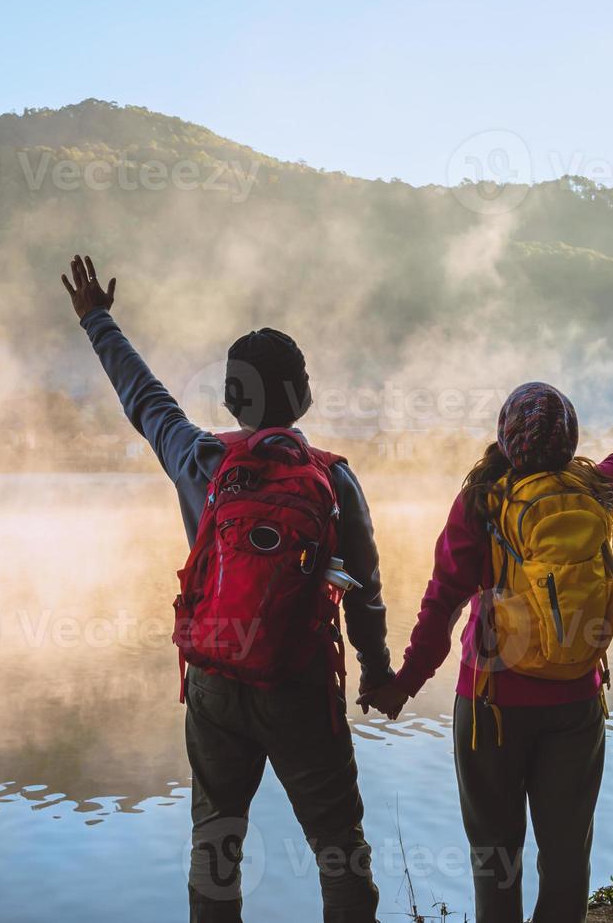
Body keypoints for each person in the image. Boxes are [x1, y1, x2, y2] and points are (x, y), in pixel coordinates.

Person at [359, 351, 613, 923]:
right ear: (569, 436)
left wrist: (403, 683)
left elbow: (441, 605)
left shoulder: (481, 506)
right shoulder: (596, 489)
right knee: (566, 855)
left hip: (490, 707)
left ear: (505, 436)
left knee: (495, 858)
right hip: (576, 703)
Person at [61, 254, 391, 923]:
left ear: (231, 400)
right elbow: (366, 592)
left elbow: (143, 397)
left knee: (215, 845)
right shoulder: (334, 479)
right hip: (298, 681)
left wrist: (97, 319)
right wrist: (377, 672)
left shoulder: (201, 461)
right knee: (339, 851)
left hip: (214, 676)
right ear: (301, 394)